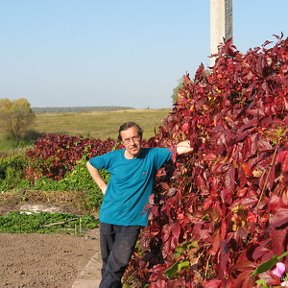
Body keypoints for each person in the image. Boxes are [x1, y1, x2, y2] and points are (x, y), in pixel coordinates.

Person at [86, 121, 193, 288]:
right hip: (108, 217)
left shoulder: (152, 156)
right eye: (127, 139)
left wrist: (197, 140)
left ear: (141, 138)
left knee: (117, 265)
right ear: (122, 142)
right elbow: (91, 164)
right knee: (108, 265)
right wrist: (102, 186)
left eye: (135, 138)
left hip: (132, 221)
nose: (132, 143)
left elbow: (180, 148)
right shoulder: (113, 158)